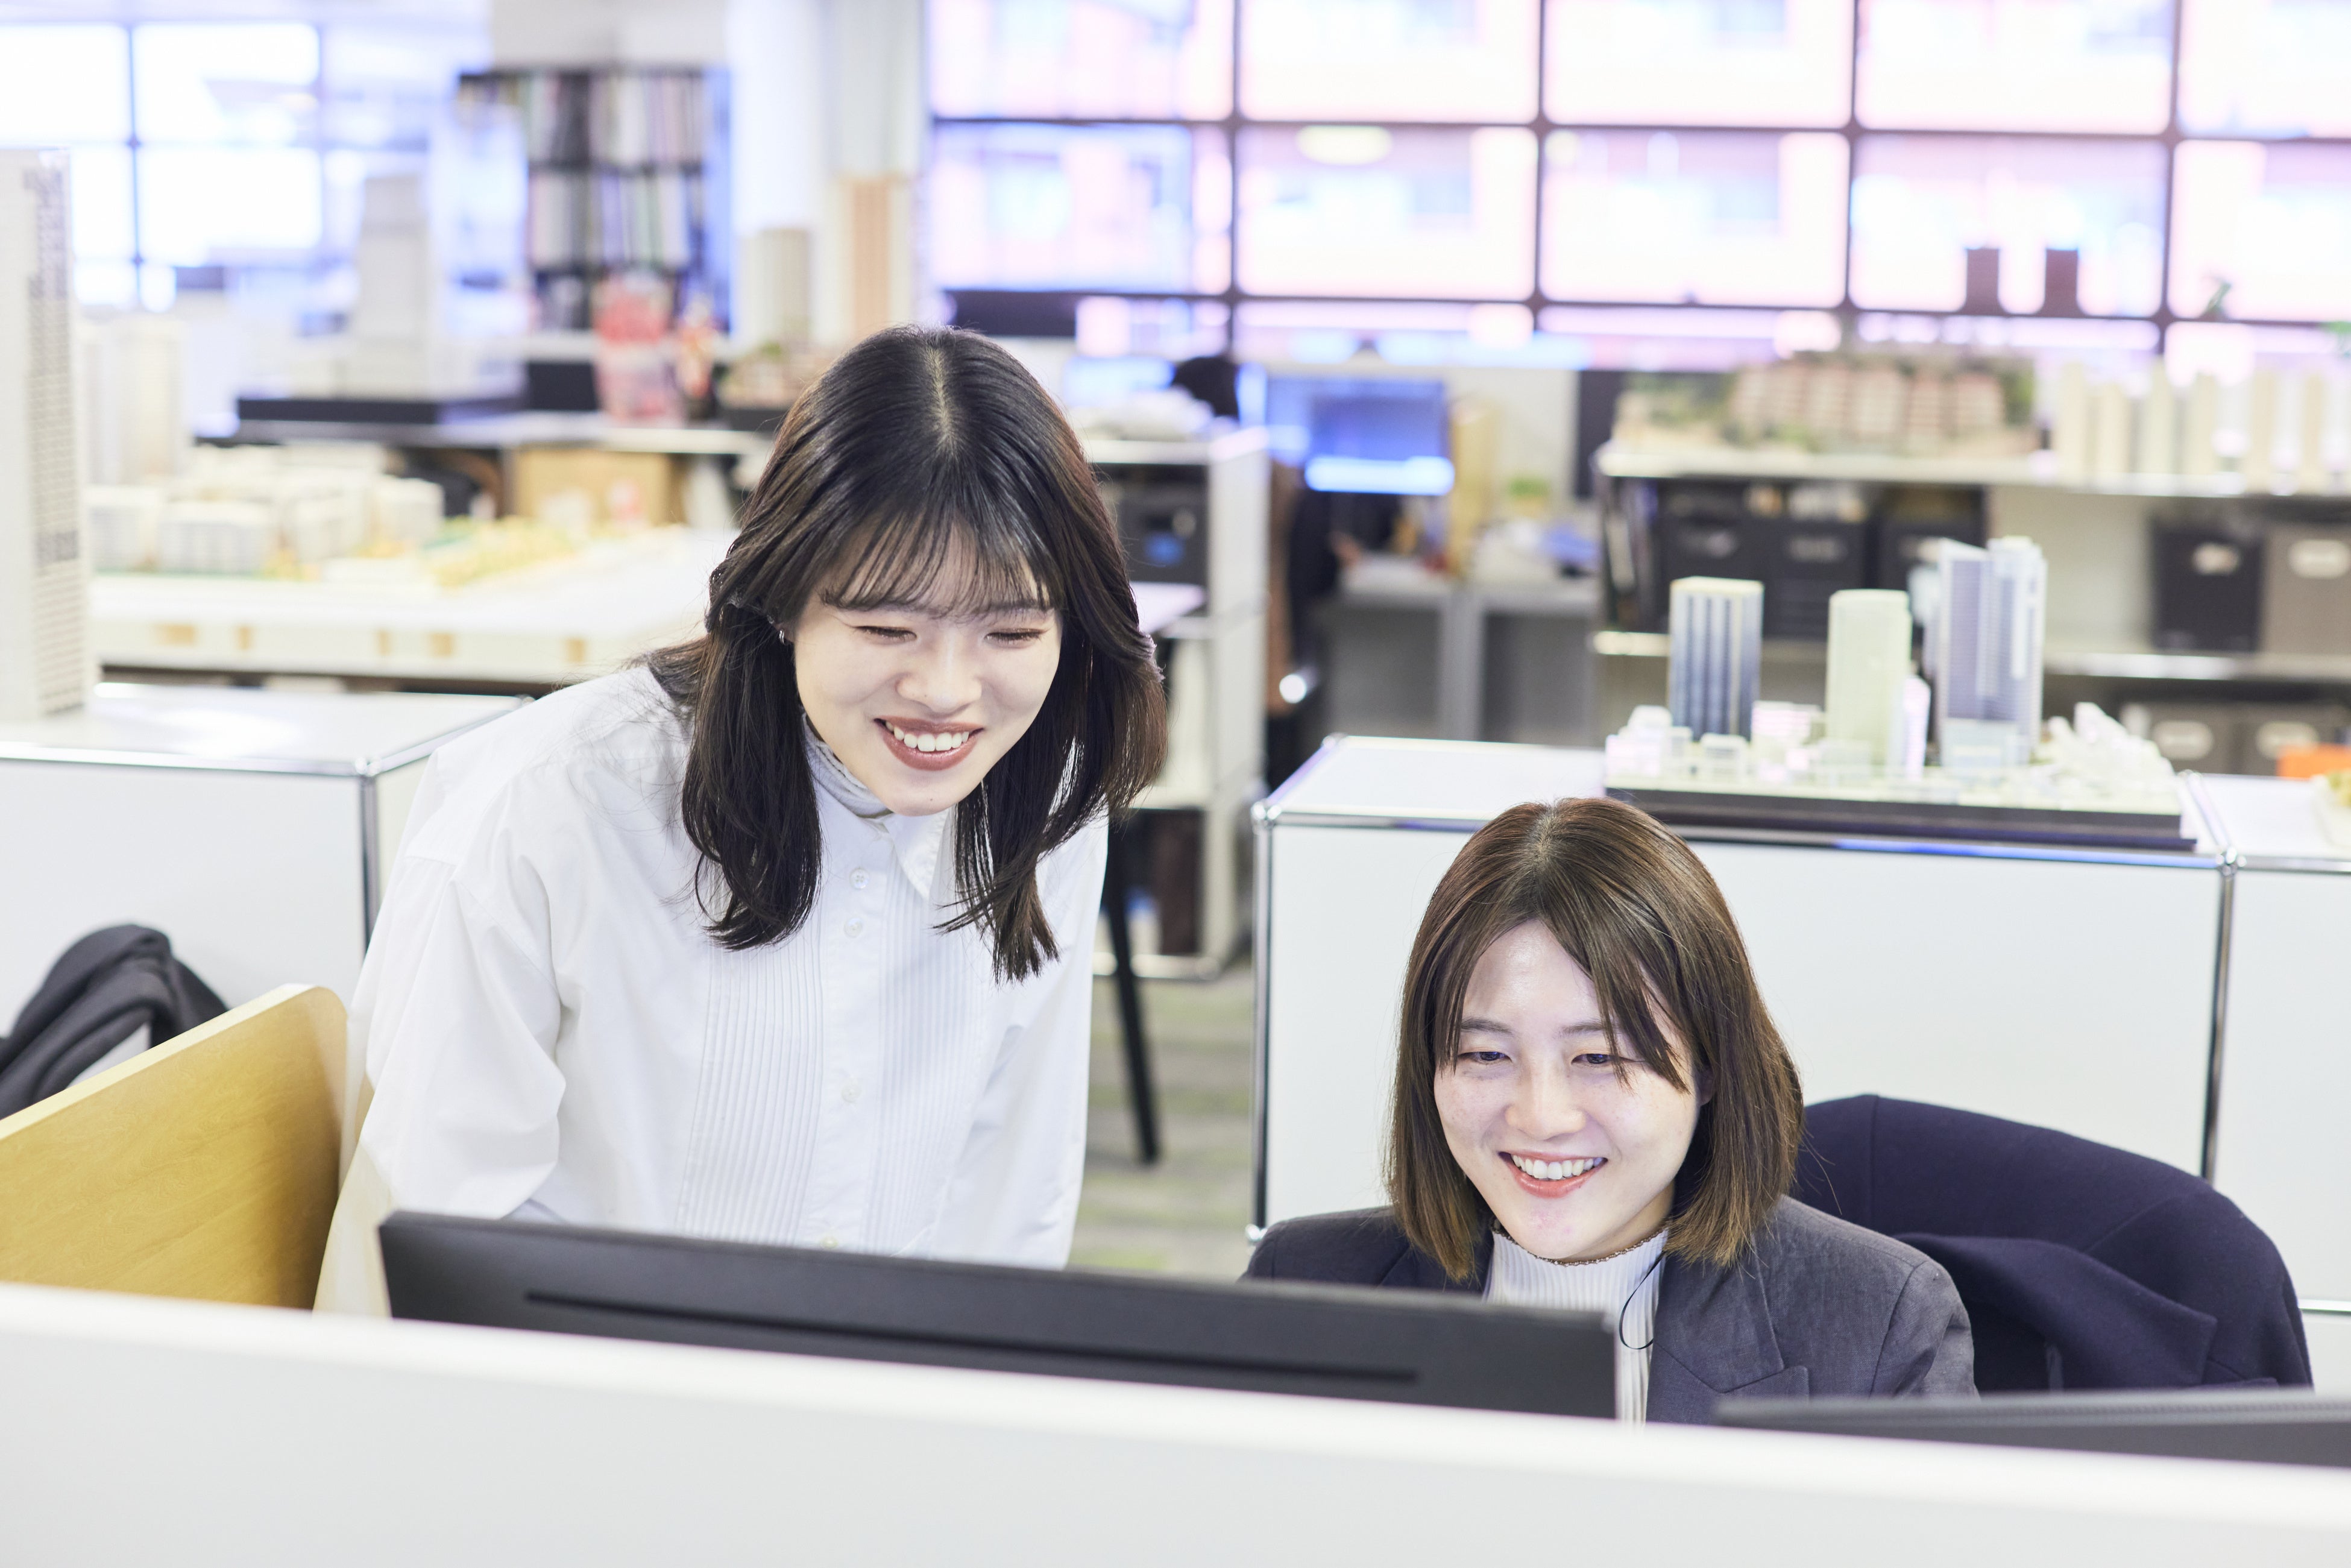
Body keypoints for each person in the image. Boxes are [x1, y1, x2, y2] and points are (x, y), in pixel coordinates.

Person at [317, 326, 1166, 1311]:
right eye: (887, 627)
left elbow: (1010, 1195)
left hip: (881, 1384)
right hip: (584, 1382)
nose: (946, 691)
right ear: (783, 600)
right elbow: (424, 1233)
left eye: (1011, 631)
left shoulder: (1042, 786)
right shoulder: (553, 806)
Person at [1245, 796, 1974, 1423]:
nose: (1540, 1116)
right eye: (1486, 1055)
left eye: (1599, 1058)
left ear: (1710, 1065)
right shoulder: (1300, 1285)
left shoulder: (1878, 1327)